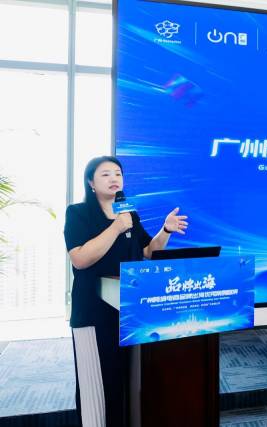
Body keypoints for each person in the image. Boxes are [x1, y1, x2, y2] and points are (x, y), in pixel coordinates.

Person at [63, 156, 188, 427]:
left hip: (129, 313)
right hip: (93, 313)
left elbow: (149, 251)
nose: (114, 179)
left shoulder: (129, 214)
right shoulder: (78, 213)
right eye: (105, 174)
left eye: (118, 173)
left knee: (122, 383)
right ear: (91, 183)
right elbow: (80, 259)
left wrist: (165, 230)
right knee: (96, 386)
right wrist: (117, 227)